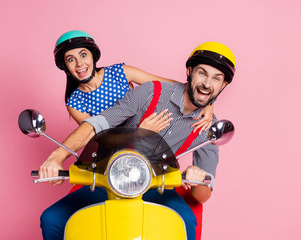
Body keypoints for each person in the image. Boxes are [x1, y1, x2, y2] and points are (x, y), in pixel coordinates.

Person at [39, 41, 236, 240]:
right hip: (108, 181)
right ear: (190, 71)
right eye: (202, 73)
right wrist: (57, 156)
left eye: (216, 78)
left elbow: (203, 196)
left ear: (223, 85)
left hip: (155, 188)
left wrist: (199, 178)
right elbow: (98, 123)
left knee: (185, 220)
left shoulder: (209, 128)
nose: (207, 84)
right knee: (51, 219)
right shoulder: (151, 92)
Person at [54, 30, 214, 133]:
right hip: (115, 153)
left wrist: (206, 103)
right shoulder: (75, 102)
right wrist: (139, 131)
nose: (80, 63)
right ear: (65, 66)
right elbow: (94, 135)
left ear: (93, 56)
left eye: (83, 55)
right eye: (71, 59)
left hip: (153, 138)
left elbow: (170, 86)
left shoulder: (120, 72)